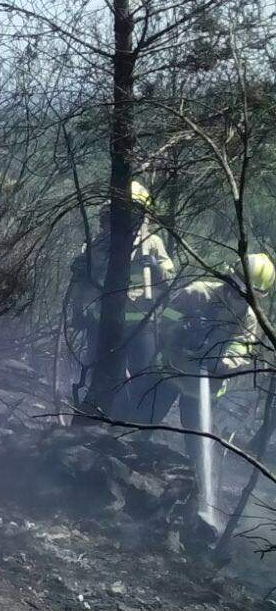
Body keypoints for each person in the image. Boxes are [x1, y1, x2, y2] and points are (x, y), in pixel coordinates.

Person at [141, 252, 274, 532]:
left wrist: (224, 362)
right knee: (143, 421)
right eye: (238, 289)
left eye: (248, 295)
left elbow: (243, 348)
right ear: (229, 279)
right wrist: (182, 332)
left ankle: (200, 501)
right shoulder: (197, 293)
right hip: (170, 373)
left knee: (200, 445)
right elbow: (165, 320)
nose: (240, 298)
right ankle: (131, 472)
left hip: (203, 389)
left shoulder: (248, 317)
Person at [65, 181, 176, 417]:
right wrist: (78, 311)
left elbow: (170, 276)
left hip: (140, 324)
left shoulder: (151, 243)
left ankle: (131, 422)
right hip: (103, 322)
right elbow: (82, 285)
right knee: (100, 372)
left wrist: (157, 268)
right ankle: (96, 417)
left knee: (141, 375)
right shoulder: (98, 245)